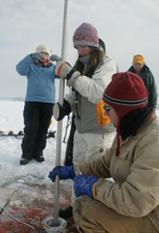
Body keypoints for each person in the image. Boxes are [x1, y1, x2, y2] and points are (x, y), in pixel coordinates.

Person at [49, 72, 159, 233]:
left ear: (123, 111)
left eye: (107, 109)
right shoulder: (129, 130)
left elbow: (136, 201)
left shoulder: (156, 141)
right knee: (90, 201)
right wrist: (75, 170)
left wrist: (95, 187)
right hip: (145, 210)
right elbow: (106, 164)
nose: (104, 114)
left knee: (84, 210)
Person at [50, 23, 118, 217]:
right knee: (79, 169)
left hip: (100, 132)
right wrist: (66, 105)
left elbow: (98, 92)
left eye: (83, 45)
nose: (80, 50)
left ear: (93, 45)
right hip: (81, 128)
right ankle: (77, 207)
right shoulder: (83, 65)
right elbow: (77, 92)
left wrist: (71, 75)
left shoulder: (107, 65)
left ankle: (96, 216)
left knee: (95, 176)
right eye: (77, 46)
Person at [16, 45, 57, 165]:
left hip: (48, 103)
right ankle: (26, 154)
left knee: (43, 129)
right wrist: (30, 57)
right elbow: (19, 69)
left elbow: (64, 73)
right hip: (32, 102)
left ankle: (38, 152)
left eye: (46, 54)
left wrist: (60, 61)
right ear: (37, 54)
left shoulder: (53, 68)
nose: (44, 56)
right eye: (41, 53)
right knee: (30, 129)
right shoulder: (30, 66)